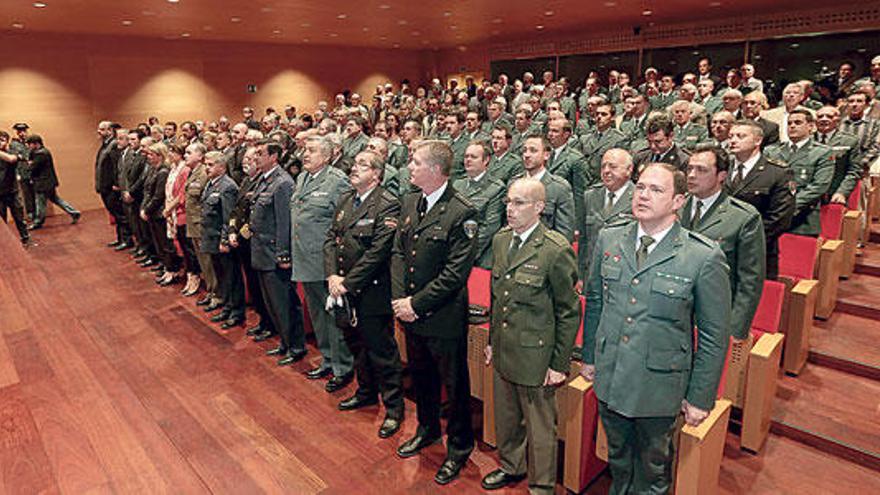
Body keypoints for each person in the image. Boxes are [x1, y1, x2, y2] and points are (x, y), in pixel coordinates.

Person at [581, 162, 731, 495]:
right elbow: (595, 302)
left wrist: (700, 397)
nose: (643, 195)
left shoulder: (702, 256)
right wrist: (590, 358)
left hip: (659, 386)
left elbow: (712, 336)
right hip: (612, 374)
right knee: (618, 461)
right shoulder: (609, 237)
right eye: (640, 187)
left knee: (653, 472)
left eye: (656, 190)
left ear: (679, 201)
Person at [481, 177, 580, 494]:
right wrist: (491, 343)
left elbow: (568, 311)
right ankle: (512, 466)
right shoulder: (500, 240)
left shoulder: (554, 249)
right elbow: (498, 297)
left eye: (519, 203)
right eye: (508, 202)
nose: (510, 208)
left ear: (539, 207)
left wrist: (559, 364)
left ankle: (541, 485)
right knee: (507, 417)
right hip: (505, 346)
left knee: (539, 427)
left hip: (537, 354)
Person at [391, 140, 477, 485]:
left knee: (454, 387)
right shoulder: (410, 201)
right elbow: (398, 252)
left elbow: (455, 274)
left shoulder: (462, 211)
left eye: (415, 162)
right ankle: (427, 430)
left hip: (441, 316)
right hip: (410, 313)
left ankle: (459, 447)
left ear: (436, 170)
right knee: (422, 378)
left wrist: (415, 304)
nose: (410, 167)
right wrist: (401, 300)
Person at [324, 150, 405, 439]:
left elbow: (378, 252)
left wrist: (347, 282)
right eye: (354, 163)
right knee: (356, 346)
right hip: (343, 289)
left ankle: (394, 409)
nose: (354, 168)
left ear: (377, 174)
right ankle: (366, 392)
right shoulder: (346, 200)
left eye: (363, 165)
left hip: (371, 291)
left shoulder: (387, 204)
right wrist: (333, 274)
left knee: (382, 352)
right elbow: (331, 240)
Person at [291, 135, 354, 392]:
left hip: (325, 261)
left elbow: (343, 223)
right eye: (305, 150)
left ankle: (343, 367)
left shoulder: (337, 181)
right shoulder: (302, 178)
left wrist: (337, 265)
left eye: (313, 151)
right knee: (317, 314)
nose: (306, 154)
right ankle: (327, 359)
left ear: (327, 156)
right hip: (304, 257)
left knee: (333, 316)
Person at [684, 144, 766, 342]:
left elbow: (750, 280)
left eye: (701, 170)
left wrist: (737, 328)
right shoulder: (674, 207)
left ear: (721, 175)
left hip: (712, 317)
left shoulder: (743, 217)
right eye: (689, 168)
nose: (692, 175)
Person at [250, 140, 307, 363]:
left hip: (274, 253)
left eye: (260, 153)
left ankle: (295, 346)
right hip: (261, 251)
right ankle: (285, 342)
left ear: (274, 157)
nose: (255, 157)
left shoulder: (282, 183)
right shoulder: (264, 180)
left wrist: (284, 254)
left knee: (285, 303)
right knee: (273, 303)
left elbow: (285, 222)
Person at [726, 121, 795, 279]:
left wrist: (741, 239)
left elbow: (779, 218)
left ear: (758, 141)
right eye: (731, 136)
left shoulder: (778, 172)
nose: (733, 140)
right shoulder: (722, 168)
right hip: (720, 250)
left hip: (756, 250)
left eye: (740, 136)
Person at [765, 109, 833, 237]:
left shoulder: (822, 152)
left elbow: (819, 186)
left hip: (803, 217)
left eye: (797, 122)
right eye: (789, 123)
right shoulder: (772, 151)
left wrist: (788, 206)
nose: (792, 126)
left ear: (811, 126)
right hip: (771, 216)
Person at [201, 151, 244, 328]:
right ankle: (226, 307)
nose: (207, 168)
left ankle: (236, 312)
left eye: (210, 165)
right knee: (221, 276)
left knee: (231, 277)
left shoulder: (228, 187)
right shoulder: (211, 184)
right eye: (206, 164)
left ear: (222, 167)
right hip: (211, 238)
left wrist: (225, 240)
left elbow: (229, 217)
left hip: (221, 240)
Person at [578, 148, 634, 282]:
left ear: (629, 169)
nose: (606, 171)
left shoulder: (639, 198)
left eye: (613, 166)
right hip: (591, 274)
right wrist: (580, 275)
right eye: (603, 166)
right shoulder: (590, 196)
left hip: (623, 276)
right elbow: (583, 240)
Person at [453, 141, 505, 269]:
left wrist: (464, 254)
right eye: (466, 156)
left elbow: (489, 228)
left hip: (478, 255)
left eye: (473, 157)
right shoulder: (457, 185)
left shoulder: (496, 188)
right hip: (453, 250)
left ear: (486, 160)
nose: (468, 160)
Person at [516, 135, 576, 241]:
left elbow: (564, 235)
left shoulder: (559, 188)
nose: (526, 155)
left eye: (533, 151)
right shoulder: (514, 184)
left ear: (546, 155)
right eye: (524, 150)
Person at [25, 135, 80, 229]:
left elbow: (32, 168)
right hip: (48, 182)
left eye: (30, 144)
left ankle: (38, 222)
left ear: (36, 144)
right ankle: (74, 212)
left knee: (40, 203)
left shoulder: (40, 154)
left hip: (42, 183)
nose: (28, 146)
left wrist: (30, 164)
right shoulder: (43, 151)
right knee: (56, 199)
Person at [814, 105, 861, 204]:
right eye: (820, 116)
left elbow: (854, 171)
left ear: (838, 120)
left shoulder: (849, 141)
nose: (824, 119)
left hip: (834, 194)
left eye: (829, 116)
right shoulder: (807, 140)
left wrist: (842, 192)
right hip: (809, 195)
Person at [183, 142, 211, 297]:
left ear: (200, 156)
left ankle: (215, 292)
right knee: (202, 260)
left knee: (208, 261)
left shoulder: (203, 173)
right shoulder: (192, 172)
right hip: (193, 223)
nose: (185, 155)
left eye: (189, 152)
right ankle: (211, 290)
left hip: (200, 223)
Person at [95, 121, 130, 247]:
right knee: (115, 213)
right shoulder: (105, 144)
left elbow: (117, 166)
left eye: (102, 129)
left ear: (110, 131)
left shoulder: (114, 145)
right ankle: (120, 238)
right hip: (105, 186)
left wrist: (116, 184)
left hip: (112, 187)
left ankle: (126, 239)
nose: (98, 131)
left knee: (120, 214)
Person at [579, 103, 628, 185]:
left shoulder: (619, 139)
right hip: (584, 183)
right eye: (597, 114)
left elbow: (619, 167)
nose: (599, 117)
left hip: (604, 184)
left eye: (604, 114)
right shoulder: (585, 138)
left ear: (612, 117)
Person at [0, 131, 30, 244]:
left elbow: (11, 159)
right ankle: (4, 244)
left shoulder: (12, 152)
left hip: (12, 192)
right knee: (2, 221)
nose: (0, 142)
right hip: (0, 194)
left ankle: (26, 239)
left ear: (7, 141)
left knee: (19, 217)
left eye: (2, 140)